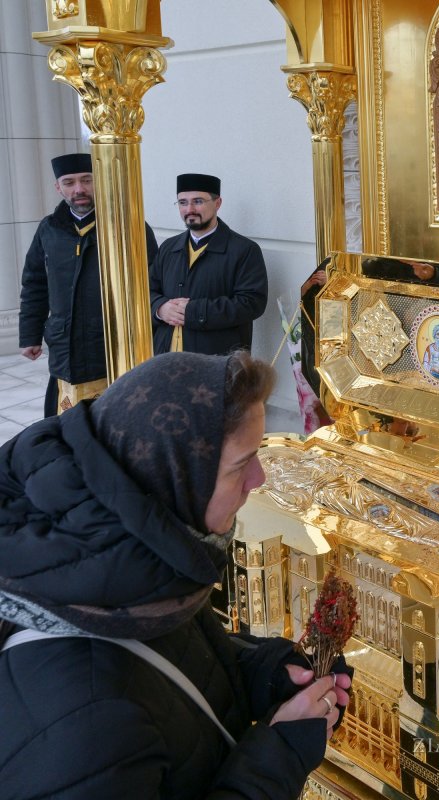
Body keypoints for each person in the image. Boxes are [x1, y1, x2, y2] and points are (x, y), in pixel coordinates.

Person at [0, 350, 351, 799]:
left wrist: (267, 672)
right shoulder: (83, 727)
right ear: (177, 478)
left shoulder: (141, 571)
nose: (259, 479)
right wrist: (277, 757)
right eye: (241, 465)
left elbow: (176, 670)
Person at [18, 152, 158, 417]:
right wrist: (30, 334)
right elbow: (34, 283)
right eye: (69, 182)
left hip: (112, 344)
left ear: (100, 182)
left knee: (115, 418)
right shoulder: (49, 229)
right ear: (58, 187)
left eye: (86, 180)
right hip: (65, 344)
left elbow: (153, 283)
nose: (79, 189)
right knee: (66, 421)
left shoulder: (129, 226)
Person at [150, 173, 268, 356]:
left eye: (198, 201)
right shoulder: (168, 248)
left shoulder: (244, 250)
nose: (189, 209)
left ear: (217, 203)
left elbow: (252, 303)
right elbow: (146, 292)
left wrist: (193, 312)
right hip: (164, 361)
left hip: (216, 366)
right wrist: (160, 309)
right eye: (182, 202)